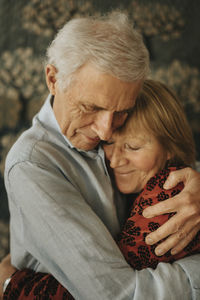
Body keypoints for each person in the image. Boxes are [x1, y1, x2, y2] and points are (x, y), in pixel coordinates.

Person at [1, 12, 200, 300]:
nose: (106, 131)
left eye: (121, 112)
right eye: (90, 107)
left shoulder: (116, 124)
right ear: (53, 79)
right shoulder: (33, 164)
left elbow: (170, 151)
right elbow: (115, 295)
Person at [103, 79, 200, 270]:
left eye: (133, 147)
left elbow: (107, 283)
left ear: (170, 147)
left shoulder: (169, 196)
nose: (114, 161)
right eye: (109, 142)